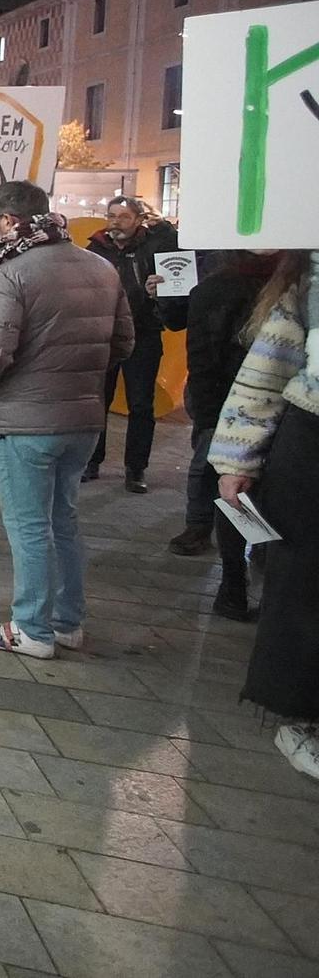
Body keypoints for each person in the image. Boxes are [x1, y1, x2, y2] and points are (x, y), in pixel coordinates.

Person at [0, 180, 133, 659]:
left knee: (29, 525)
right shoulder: (101, 267)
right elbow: (124, 343)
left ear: (10, 221)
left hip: (27, 418)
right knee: (64, 520)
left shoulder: (12, 272)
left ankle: (31, 628)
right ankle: (67, 621)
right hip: (83, 416)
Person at [211, 251, 319, 781]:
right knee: (302, 580)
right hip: (313, 438)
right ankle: (300, 714)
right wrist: (237, 457)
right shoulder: (309, 273)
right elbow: (266, 369)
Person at [153, 250, 278, 621]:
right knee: (233, 491)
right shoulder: (228, 287)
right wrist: (211, 417)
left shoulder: (245, 286)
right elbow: (206, 355)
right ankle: (235, 580)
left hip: (233, 407)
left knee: (237, 490)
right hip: (231, 407)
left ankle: (240, 579)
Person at [84, 195, 180, 490]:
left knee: (141, 404)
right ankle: (91, 461)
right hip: (106, 335)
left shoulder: (157, 246)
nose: (115, 222)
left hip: (144, 334)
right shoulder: (96, 249)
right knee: (98, 400)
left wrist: (159, 291)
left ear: (139, 220)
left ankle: (136, 468)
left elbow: (177, 275)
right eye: (111, 216)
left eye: (123, 216)